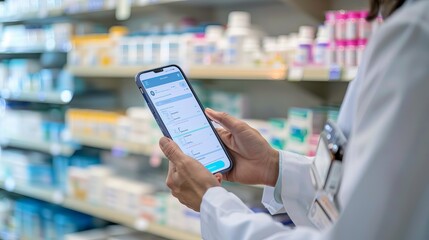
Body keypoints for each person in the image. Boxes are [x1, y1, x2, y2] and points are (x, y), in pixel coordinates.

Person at [158, 0, 429, 239]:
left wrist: (212, 203)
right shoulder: (405, 26)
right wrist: (272, 167)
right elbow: (355, 192)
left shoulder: (414, 34)